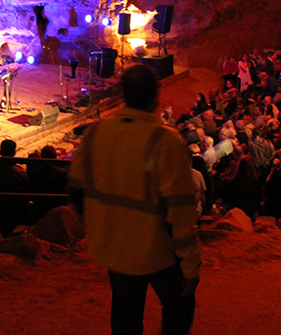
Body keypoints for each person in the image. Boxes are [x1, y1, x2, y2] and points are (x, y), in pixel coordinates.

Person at [69, 64, 200, 335]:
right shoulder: (166, 140)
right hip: (159, 251)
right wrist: (189, 263)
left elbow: (76, 190)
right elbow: (181, 211)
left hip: (114, 247)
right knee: (179, 307)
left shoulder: (95, 134)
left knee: (125, 316)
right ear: (156, 97)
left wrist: (100, 227)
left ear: (123, 94)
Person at [0, 139, 30, 237]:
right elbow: (26, 196)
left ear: (0, 152)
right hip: (15, 211)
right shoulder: (21, 173)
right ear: (14, 153)